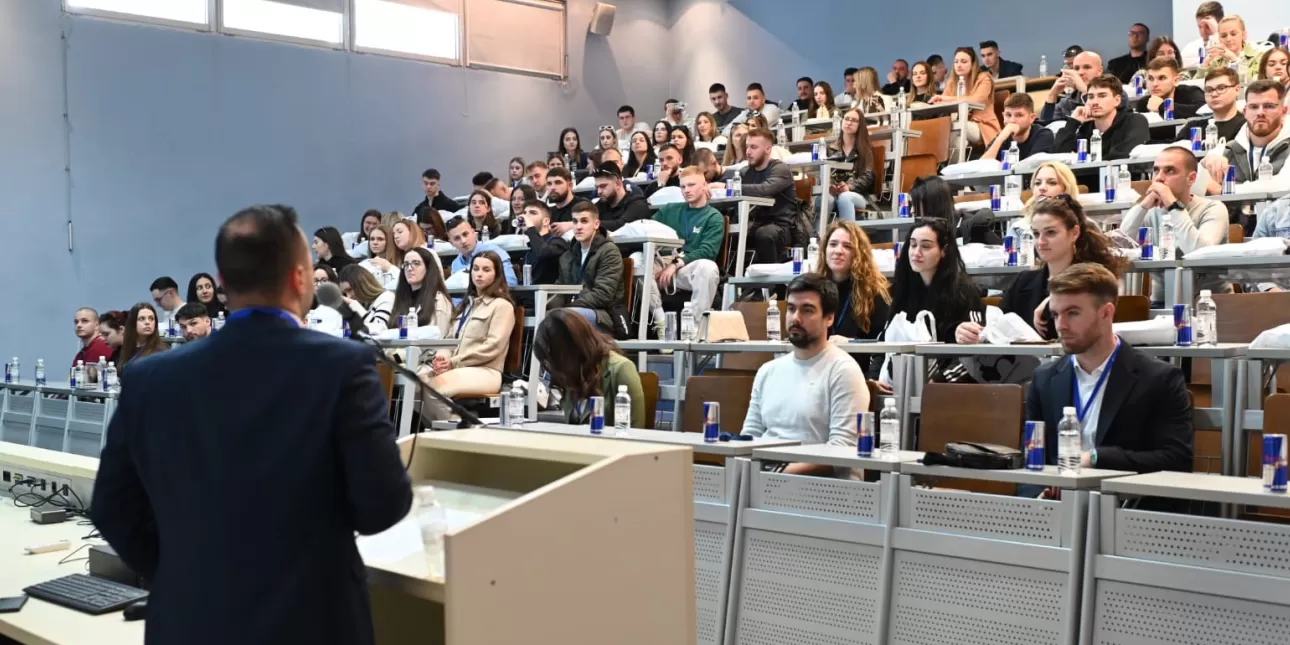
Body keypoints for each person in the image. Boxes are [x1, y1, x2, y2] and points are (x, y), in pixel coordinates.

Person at [92, 204, 412, 645]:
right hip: (311, 620)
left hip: (188, 621)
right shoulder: (342, 366)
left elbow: (112, 506)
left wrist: (185, 572)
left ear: (221, 284)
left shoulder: (149, 378)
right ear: (301, 278)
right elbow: (382, 506)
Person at [1026, 263, 1193, 474]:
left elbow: (1177, 460)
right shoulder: (1043, 379)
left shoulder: (1160, 379)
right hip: (1059, 501)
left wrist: (1097, 458)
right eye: (1056, 315)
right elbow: (1033, 460)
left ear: (1106, 313)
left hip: (1124, 499)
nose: (1061, 325)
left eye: (1073, 313)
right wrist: (1040, 497)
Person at [957, 195, 1127, 343]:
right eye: (1036, 234)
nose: (1041, 242)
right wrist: (971, 332)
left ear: (1074, 233)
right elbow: (998, 327)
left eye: (1050, 233)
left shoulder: (1096, 280)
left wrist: (1053, 298)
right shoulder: (1023, 281)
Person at [741, 275, 869, 472]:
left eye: (807, 310)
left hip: (818, 490)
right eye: (791, 309)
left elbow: (842, 450)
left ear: (829, 318)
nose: (796, 318)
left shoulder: (844, 371)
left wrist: (776, 476)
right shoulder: (768, 371)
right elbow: (749, 436)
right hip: (765, 477)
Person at [1121, 146, 1231, 298]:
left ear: (1191, 178)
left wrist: (1173, 205)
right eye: (1156, 170)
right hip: (1161, 304)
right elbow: (1121, 243)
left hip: (1210, 303)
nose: (1159, 178)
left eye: (1170, 171)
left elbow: (1200, 253)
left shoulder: (1213, 208)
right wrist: (1143, 205)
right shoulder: (1151, 212)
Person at [419, 251, 515, 416]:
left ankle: (457, 433)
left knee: (433, 389)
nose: (479, 274)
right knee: (415, 384)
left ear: (497, 275)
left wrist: (454, 362)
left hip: (486, 371)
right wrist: (442, 357)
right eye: (476, 269)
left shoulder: (502, 306)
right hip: (458, 367)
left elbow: (493, 347)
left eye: (486, 270)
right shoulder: (467, 304)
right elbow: (449, 339)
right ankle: (445, 430)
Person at [534, 310, 646, 428]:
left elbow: (636, 431)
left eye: (555, 357)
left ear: (571, 349)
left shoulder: (621, 368)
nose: (554, 365)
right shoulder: (572, 374)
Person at [646, 167, 724, 330]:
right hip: (660, 263)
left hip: (685, 268)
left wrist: (675, 264)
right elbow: (647, 229)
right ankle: (661, 322)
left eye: (691, 185)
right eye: (683, 187)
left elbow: (708, 251)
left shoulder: (714, 217)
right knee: (635, 260)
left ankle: (694, 331)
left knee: (708, 268)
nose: (687, 190)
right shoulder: (669, 209)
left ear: (704, 185)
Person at [887, 219, 984, 343]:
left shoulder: (964, 290)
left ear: (944, 250)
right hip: (906, 361)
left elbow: (978, 335)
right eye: (913, 245)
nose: (916, 253)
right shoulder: (904, 286)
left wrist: (961, 333)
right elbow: (886, 337)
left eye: (926, 246)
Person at [816, 222, 891, 380]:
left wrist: (852, 343)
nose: (838, 251)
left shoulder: (874, 293)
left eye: (847, 246)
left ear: (859, 254)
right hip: (817, 374)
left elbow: (883, 345)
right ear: (824, 250)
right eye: (833, 244)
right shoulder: (814, 291)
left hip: (858, 376)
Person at [1200, 81, 1290, 195]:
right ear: (1245, 112)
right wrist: (1206, 162)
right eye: (1254, 107)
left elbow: (1285, 185)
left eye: (1269, 106)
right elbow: (1194, 181)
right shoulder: (1229, 149)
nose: (1260, 112)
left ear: (1284, 111)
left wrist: (1224, 191)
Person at [557, 202, 627, 335]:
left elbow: (603, 294)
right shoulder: (567, 256)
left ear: (596, 224)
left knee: (565, 317)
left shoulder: (609, 251)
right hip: (573, 310)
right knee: (544, 315)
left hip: (603, 314)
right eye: (575, 221)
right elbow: (559, 289)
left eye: (584, 221)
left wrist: (568, 307)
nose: (578, 226)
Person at [1053, 74, 1150, 161]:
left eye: (1102, 96)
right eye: (1091, 97)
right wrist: (1073, 122)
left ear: (1117, 100)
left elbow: (1126, 154)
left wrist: (1089, 160)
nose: (1095, 102)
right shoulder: (1086, 128)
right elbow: (1059, 155)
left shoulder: (1135, 121)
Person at [741, 128, 798, 266]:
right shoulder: (745, 172)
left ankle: (772, 285)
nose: (748, 152)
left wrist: (731, 188)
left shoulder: (779, 169)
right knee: (729, 233)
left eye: (753, 147)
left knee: (765, 234)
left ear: (768, 149)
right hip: (755, 223)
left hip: (782, 226)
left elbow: (765, 189)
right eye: (747, 146)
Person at [932, 47, 1001, 151]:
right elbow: (943, 102)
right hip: (959, 125)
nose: (959, 65)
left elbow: (976, 100)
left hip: (983, 126)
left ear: (973, 64)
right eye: (956, 62)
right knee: (958, 141)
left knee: (952, 126)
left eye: (964, 62)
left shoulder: (984, 78)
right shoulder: (952, 82)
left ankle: (943, 164)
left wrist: (947, 99)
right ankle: (954, 166)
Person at [1042, 51, 1123, 123]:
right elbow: (1047, 128)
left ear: (1099, 71)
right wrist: (1052, 95)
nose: (1080, 72)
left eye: (1087, 67)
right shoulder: (1068, 102)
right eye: (1076, 68)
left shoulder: (1114, 92)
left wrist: (1084, 89)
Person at [827, 108, 877, 222]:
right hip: (834, 192)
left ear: (860, 125)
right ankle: (817, 237)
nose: (849, 122)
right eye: (846, 119)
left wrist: (849, 187)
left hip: (858, 194)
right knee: (825, 200)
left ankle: (849, 236)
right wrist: (830, 186)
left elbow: (868, 176)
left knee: (845, 197)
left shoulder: (866, 149)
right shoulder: (830, 148)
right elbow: (822, 172)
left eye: (854, 120)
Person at [1178, 67, 1247, 146]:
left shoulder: (1247, 126)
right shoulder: (1193, 127)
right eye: (1209, 90)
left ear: (1237, 90)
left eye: (1221, 88)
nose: (1214, 94)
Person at [391, 247, 452, 335]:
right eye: (406, 264)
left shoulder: (439, 300)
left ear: (428, 268)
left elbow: (439, 340)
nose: (409, 268)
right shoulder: (399, 299)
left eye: (416, 263)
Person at [1134, 57, 1206, 128]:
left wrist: (1162, 106)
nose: (1154, 84)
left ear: (1176, 81)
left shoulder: (1191, 92)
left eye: (1162, 78)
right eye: (1150, 78)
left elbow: (1203, 110)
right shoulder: (1143, 103)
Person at [982, 93, 1056, 162]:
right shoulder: (1002, 137)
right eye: (1008, 115)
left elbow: (1031, 167)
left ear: (1032, 118)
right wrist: (1000, 138)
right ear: (1003, 116)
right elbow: (981, 167)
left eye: (1019, 115)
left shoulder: (1044, 135)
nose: (1012, 120)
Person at [445, 216, 517, 285]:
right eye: (457, 238)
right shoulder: (455, 264)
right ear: (451, 243)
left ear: (474, 233)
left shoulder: (495, 252)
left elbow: (510, 283)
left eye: (465, 234)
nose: (463, 241)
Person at [518, 200, 568, 289]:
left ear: (546, 221)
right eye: (525, 213)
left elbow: (543, 252)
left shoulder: (558, 242)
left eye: (533, 213)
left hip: (548, 297)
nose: (526, 216)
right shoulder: (530, 246)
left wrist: (531, 228)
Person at [338, 264, 397, 335]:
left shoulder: (386, 296)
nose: (348, 296)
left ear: (362, 284)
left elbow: (378, 328)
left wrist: (353, 304)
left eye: (349, 290)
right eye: (345, 293)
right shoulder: (364, 303)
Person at [1204, 15, 1264, 81]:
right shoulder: (1216, 60)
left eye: (1233, 34)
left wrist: (1234, 59)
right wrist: (1205, 63)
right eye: (1223, 36)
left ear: (1244, 35)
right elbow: (1198, 86)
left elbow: (1252, 84)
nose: (1228, 39)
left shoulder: (1259, 57)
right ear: (1219, 38)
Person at [594, 162, 649, 232]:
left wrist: (591, 224)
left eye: (603, 186)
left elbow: (621, 226)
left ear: (618, 184)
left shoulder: (638, 204)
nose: (599, 192)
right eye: (597, 187)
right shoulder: (599, 206)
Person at [119, 302, 170, 371]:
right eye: (142, 319)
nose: (147, 322)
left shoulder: (161, 350)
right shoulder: (127, 346)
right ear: (132, 322)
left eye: (151, 318)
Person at [545, 167, 589, 232]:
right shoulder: (548, 212)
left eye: (558, 182)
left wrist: (572, 225)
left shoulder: (584, 206)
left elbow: (595, 225)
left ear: (570, 185)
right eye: (549, 184)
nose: (552, 187)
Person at [1182, 1, 1225, 69]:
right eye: (1200, 27)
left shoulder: (1232, 45)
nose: (1203, 31)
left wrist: (1216, 33)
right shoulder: (1190, 48)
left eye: (1208, 26)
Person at [358, 224, 401, 290]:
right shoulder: (363, 265)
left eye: (380, 239)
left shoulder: (402, 263)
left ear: (389, 241)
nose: (375, 242)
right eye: (372, 239)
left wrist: (390, 268)